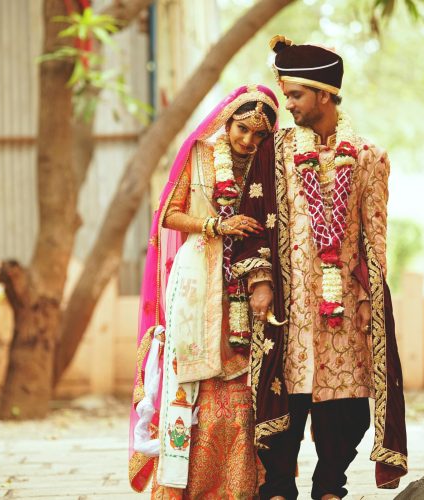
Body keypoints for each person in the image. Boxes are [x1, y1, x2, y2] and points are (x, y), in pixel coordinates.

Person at [231, 36, 408, 500]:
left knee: (346, 399)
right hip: (288, 305)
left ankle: (330, 484)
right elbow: (254, 214)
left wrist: (369, 298)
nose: (285, 105)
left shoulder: (368, 156)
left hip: (344, 306)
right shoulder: (278, 151)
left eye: (294, 95)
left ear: (324, 95)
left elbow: (375, 233)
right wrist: (260, 281)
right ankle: (277, 486)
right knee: (285, 392)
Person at [128, 85, 279, 498]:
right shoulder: (200, 155)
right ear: (227, 121)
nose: (248, 141)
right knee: (195, 375)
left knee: (246, 375)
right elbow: (168, 215)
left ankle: (243, 485)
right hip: (200, 278)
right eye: (242, 129)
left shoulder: (268, 166)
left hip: (252, 280)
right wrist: (216, 226)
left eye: (258, 135)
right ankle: (186, 487)